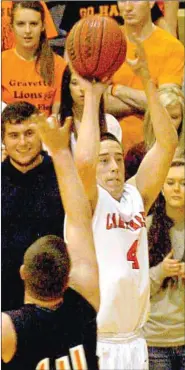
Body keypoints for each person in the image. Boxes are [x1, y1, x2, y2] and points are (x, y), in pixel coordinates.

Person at [73, 35, 178, 369]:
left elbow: (167, 144)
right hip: (98, 341)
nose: (114, 166)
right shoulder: (88, 200)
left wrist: (147, 80)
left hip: (136, 340)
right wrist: (92, 94)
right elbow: (86, 160)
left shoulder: (136, 196)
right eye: (106, 161)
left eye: (118, 158)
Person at [2, 115, 99, 370]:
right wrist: (60, 150)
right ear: (69, 276)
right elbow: (80, 221)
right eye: (14, 135)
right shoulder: (86, 305)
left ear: (24, 272)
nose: (22, 142)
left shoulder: (7, 330)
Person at [1, 101, 65, 311]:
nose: (22, 142)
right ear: (3, 140)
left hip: (54, 301)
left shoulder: (63, 176)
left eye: (29, 133)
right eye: (14, 135)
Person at [104, 0, 184, 153]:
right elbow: (100, 103)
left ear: (152, 2)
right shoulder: (106, 41)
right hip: (112, 150)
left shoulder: (172, 47)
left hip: (156, 149)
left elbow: (168, 107)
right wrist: (148, 101)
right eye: (122, 1)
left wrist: (117, 90)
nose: (127, 7)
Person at [142, 159, 185, 370]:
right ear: (161, 187)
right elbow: (135, 289)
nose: (177, 189)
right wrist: (160, 272)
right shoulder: (146, 228)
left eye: (183, 183)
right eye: (170, 182)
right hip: (154, 339)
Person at [2, 1, 67, 116]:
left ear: (43, 26)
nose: (27, 31)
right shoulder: (2, 63)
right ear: (11, 26)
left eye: (33, 24)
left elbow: (56, 116)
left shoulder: (58, 65)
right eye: (21, 24)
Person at [59, 66, 122, 153]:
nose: (82, 89)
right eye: (75, 83)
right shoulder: (54, 124)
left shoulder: (111, 123)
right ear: (66, 87)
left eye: (87, 82)